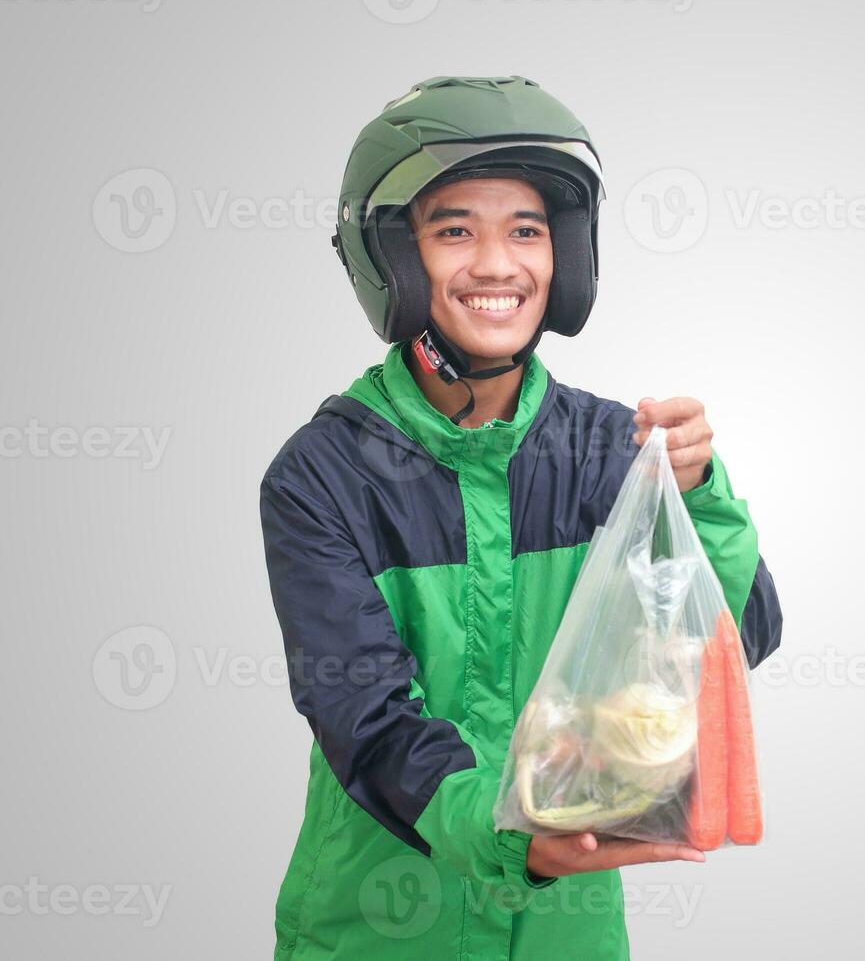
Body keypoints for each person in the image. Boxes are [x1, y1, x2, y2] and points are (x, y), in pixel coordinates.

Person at [259, 76, 783, 960]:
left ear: (564, 257)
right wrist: (514, 837)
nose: (498, 265)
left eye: (528, 231)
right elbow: (366, 717)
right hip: (380, 928)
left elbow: (733, 639)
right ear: (391, 255)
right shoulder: (325, 475)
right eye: (455, 229)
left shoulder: (608, 449)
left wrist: (697, 494)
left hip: (567, 933)